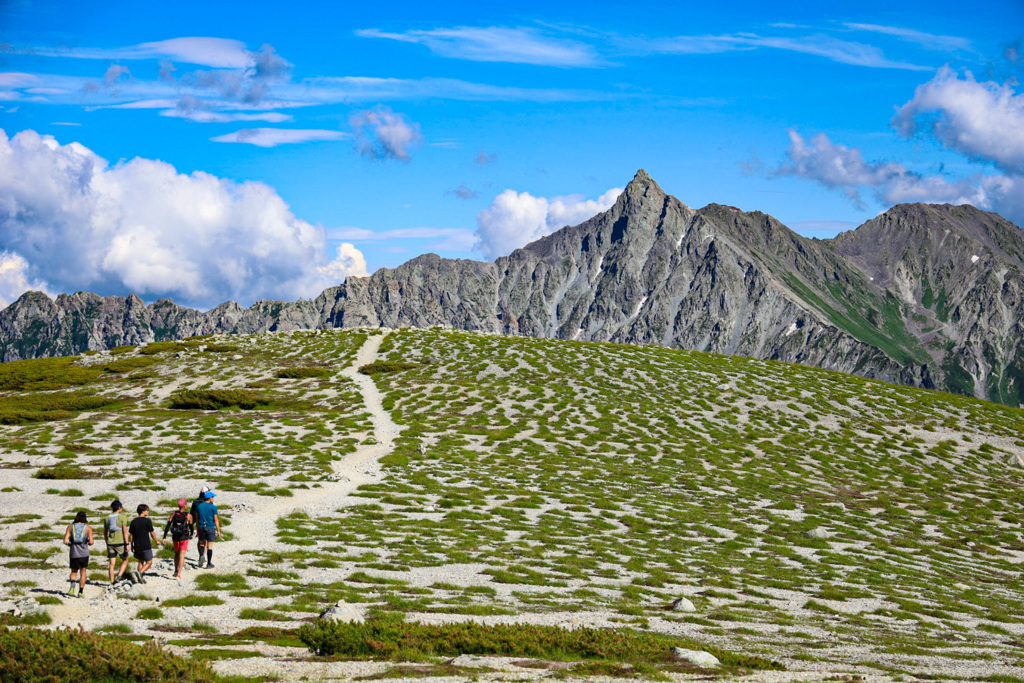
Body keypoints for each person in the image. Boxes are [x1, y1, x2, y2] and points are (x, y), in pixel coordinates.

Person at [128, 504, 163, 583]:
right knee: (149, 562)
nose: (148, 512)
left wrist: (132, 544)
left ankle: (141, 578)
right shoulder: (147, 521)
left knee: (140, 561)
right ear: (143, 511)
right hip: (145, 544)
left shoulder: (133, 522)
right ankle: (140, 573)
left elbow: (131, 535)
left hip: (137, 544)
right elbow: (152, 533)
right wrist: (156, 540)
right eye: (147, 510)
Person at [62, 511, 94, 598]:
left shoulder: (70, 527)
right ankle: (80, 591)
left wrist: (71, 545)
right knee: (83, 571)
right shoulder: (88, 528)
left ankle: (72, 588)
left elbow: (65, 541)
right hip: (84, 553)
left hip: (74, 553)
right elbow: (91, 542)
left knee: (74, 571)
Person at [163, 498, 193, 580]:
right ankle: (179, 574)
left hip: (175, 537)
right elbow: (191, 526)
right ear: (184, 506)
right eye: (186, 504)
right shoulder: (188, 515)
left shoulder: (173, 514)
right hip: (184, 537)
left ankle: (176, 570)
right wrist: (191, 534)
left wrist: (164, 537)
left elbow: (168, 525)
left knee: (177, 553)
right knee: (182, 555)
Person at [104, 500, 131, 584]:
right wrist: (127, 544)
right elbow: (125, 531)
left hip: (110, 543)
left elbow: (105, 533)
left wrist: (107, 542)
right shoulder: (122, 517)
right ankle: (119, 576)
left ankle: (112, 581)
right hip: (120, 542)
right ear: (119, 507)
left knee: (112, 564)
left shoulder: (107, 518)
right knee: (125, 559)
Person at [194, 491, 221, 569]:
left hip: (201, 527)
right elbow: (216, 519)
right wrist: (218, 530)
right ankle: (209, 563)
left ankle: (201, 555)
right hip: (210, 527)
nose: (213, 498)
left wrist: (198, 527)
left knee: (202, 543)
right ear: (209, 498)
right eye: (212, 497)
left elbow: (197, 517)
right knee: (210, 546)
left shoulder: (199, 506)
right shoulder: (213, 507)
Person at [189, 486, 211, 567]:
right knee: (205, 541)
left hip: (199, 524)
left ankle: (200, 555)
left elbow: (191, 513)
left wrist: (191, 525)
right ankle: (203, 556)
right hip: (207, 523)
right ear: (205, 493)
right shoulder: (208, 502)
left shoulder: (195, 502)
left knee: (200, 540)